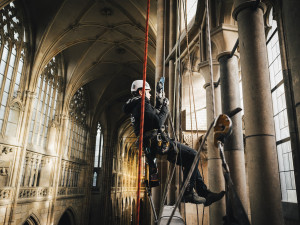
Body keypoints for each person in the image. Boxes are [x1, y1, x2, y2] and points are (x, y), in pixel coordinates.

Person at [123, 80, 225, 205]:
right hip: (158, 144)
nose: (150, 95)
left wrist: (160, 104)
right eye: (148, 92)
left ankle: (204, 193)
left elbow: (153, 118)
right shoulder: (142, 104)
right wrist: (166, 107)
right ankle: (187, 192)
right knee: (193, 155)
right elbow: (158, 123)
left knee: (189, 160)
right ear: (141, 91)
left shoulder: (137, 106)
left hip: (155, 145)